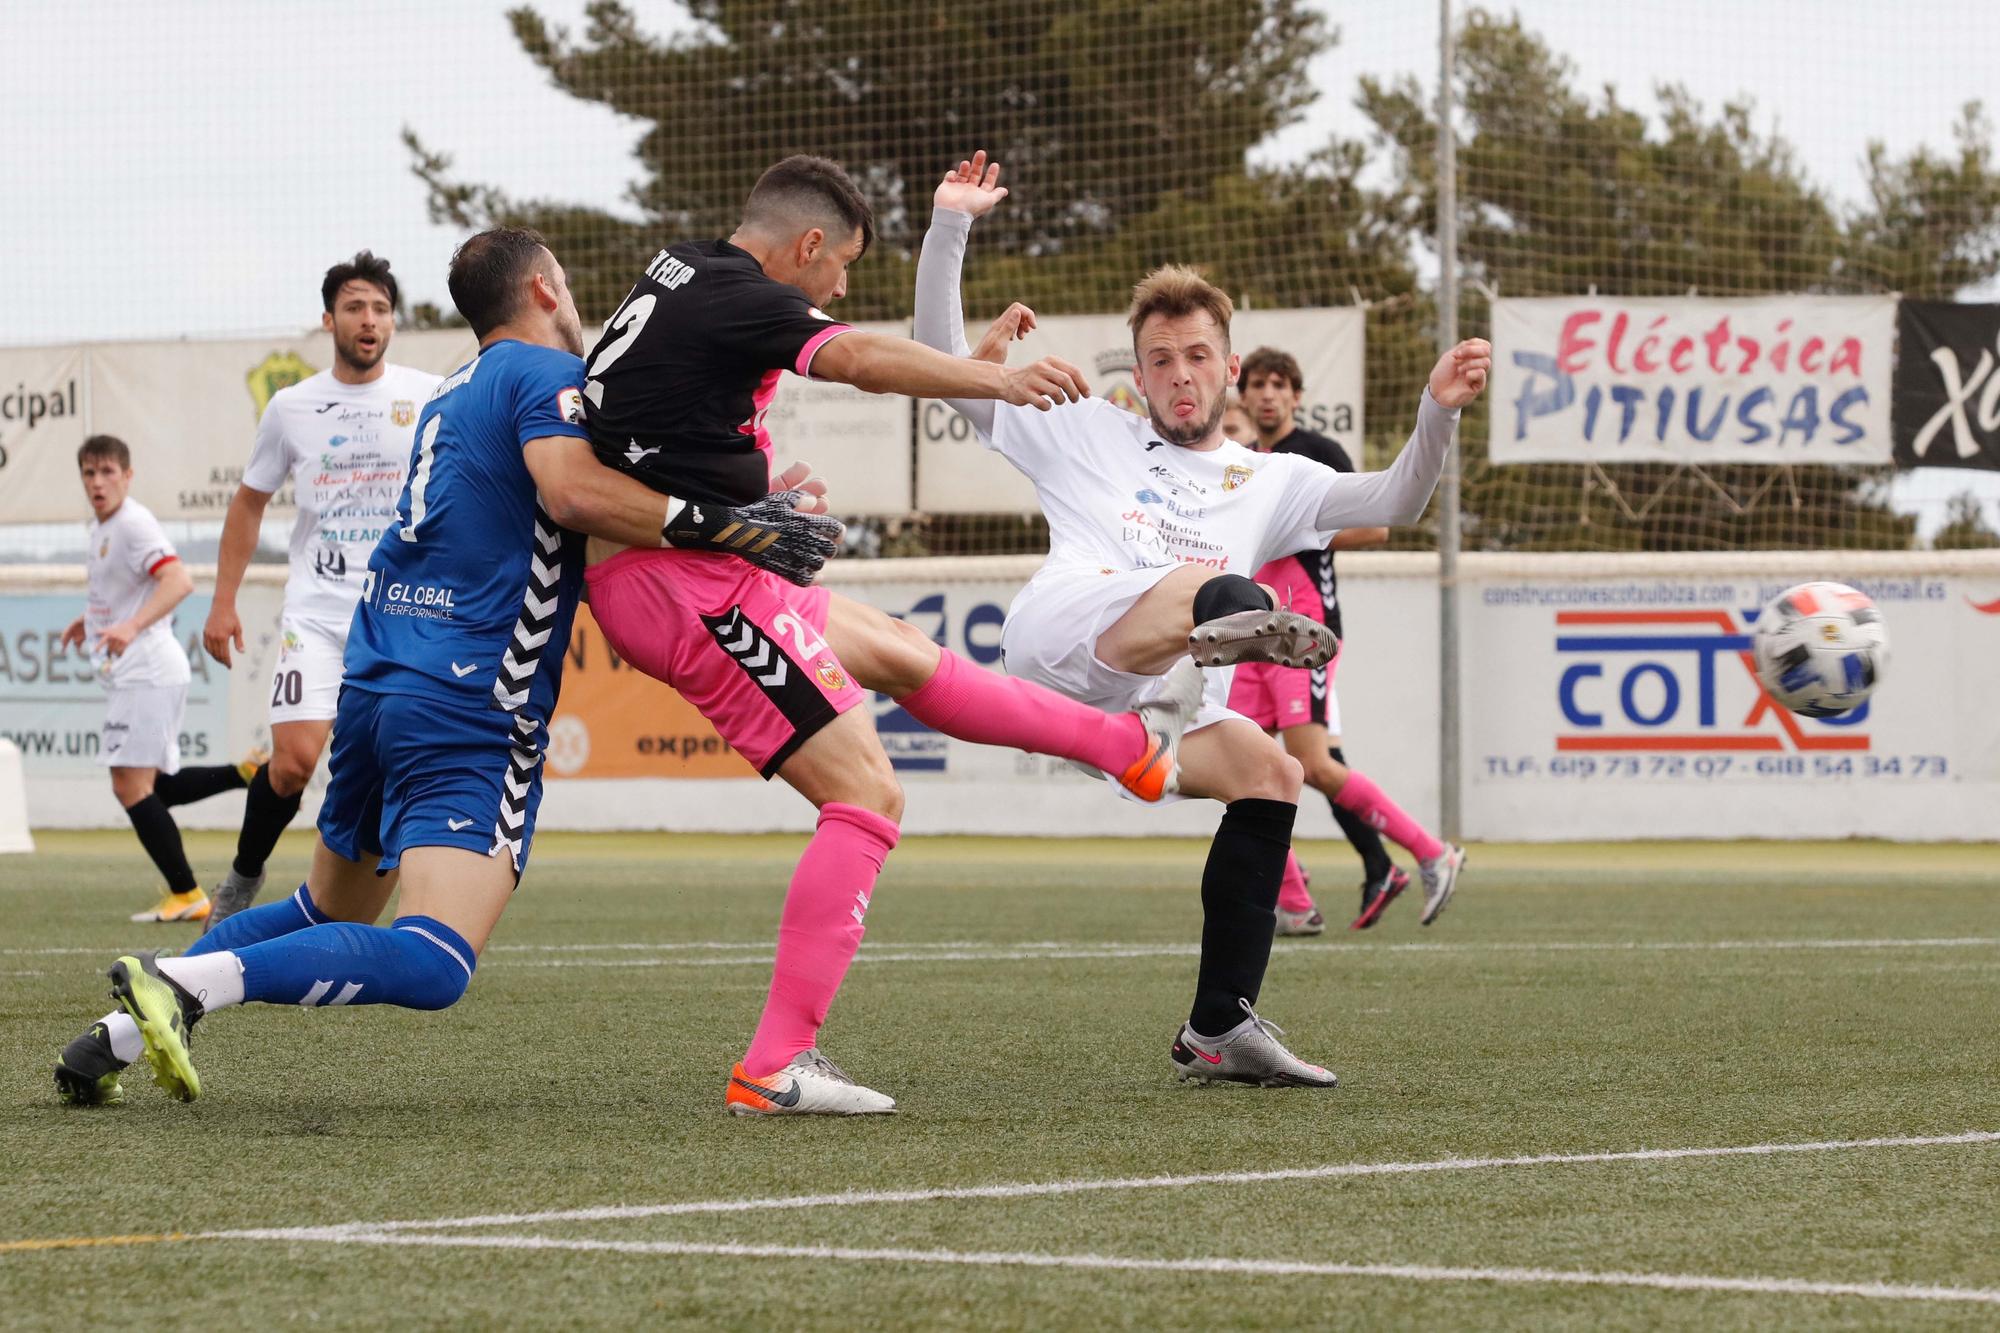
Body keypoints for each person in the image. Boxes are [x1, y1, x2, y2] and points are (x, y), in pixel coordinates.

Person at [51, 228, 842, 1108]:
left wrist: (742, 510)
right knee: (435, 959)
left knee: (328, 909)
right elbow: (577, 496)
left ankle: (112, 1036)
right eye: (570, 285)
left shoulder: (449, 392)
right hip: (473, 697)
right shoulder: (549, 379)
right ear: (545, 288)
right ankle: (186, 983)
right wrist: (743, 525)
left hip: (380, 680)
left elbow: (548, 516)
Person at [579, 154, 1205, 1117]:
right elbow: (863, 360)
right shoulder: (741, 296)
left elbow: (662, 421)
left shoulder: (685, 269)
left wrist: (754, 492)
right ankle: (776, 1064)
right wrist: (989, 378)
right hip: (681, 589)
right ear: (810, 245)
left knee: (905, 653)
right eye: (841, 270)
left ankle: (1134, 752)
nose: (839, 290)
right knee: (867, 794)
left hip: (702, 566)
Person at [916, 151, 1488, 1087]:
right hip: (1068, 637)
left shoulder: (1277, 479)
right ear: (1137, 374)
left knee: (1271, 771)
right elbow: (940, 368)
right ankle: (1220, 643)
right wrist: (950, 227)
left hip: (1159, 686)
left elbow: (1399, 497)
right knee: (1216, 591)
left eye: (1195, 357)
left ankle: (1220, 1024)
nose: (1179, 376)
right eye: (1159, 361)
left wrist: (1436, 411)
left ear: (1228, 365)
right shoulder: (1086, 427)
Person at [202, 252, 441, 925]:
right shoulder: (291, 406)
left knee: (399, 760)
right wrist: (223, 600)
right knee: (294, 763)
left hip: (401, 615)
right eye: (356, 307)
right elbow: (249, 503)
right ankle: (242, 881)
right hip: (317, 611)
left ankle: (364, 901)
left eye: (381, 308)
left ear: (394, 320)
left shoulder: (427, 395)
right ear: (330, 318)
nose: (369, 320)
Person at [1234, 347, 1449, 933]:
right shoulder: (1246, 461)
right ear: (1244, 395)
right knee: (1235, 761)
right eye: (1258, 384)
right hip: (1255, 630)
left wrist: (1301, 531)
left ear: (1297, 396)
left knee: (1313, 764)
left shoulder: (1317, 453)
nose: (1269, 394)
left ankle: (1431, 852)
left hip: (1305, 629)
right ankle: (1297, 903)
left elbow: (1376, 524)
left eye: (1280, 384)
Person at [64, 436, 258, 926]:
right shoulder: (103, 528)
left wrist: (130, 628)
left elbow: (178, 580)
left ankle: (187, 892)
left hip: (148, 670)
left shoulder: (133, 523)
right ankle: (243, 774)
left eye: (108, 471)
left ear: (127, 476)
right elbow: (120, 594)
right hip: (139, 672)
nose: (98, 482)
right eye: (89, 473)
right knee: (151, 784)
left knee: (128, 783)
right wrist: (87, 621)